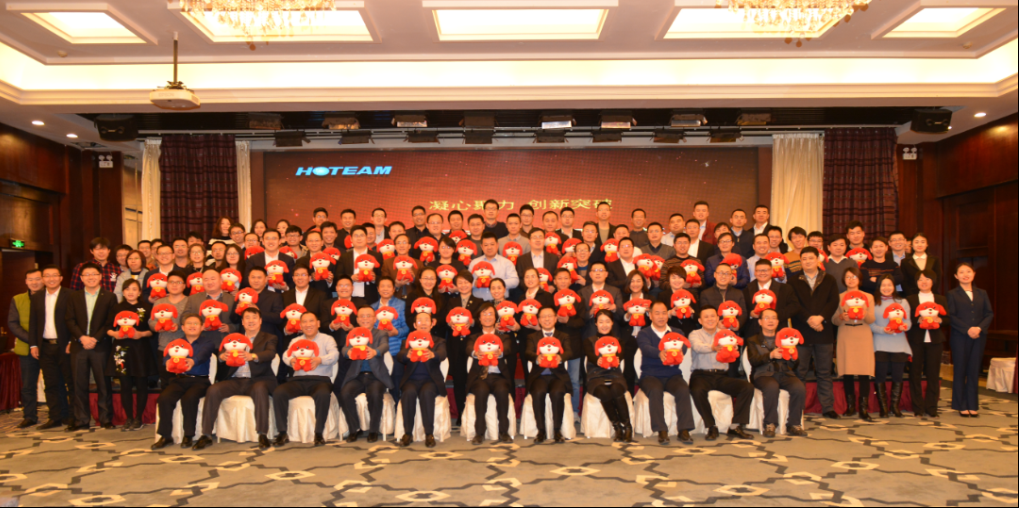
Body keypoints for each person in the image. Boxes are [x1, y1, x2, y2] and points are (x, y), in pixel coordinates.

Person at [193, 307, 279, 451]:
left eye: (254, 318)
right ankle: (206, 434)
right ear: (242, 322)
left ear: (260, 321)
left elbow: (270, 353)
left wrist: (252, 356)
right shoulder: (233, 337)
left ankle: (262, 434)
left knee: (260, 389)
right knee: (213, 389)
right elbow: (221, 353)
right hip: (235, 380)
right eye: (247, 318)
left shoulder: (269, 337)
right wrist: (222, 357)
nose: (251, 321)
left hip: (258, 379)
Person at [151, 313, 218, 449]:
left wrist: (192, 361)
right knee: (164, 398)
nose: (192, 326)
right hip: (179, 380)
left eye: (196, 323)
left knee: (189, 398)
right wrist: (167, 361)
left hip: (200, 381)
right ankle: (166, 436)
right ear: (183, 327)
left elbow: (203, 355)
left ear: (202, 327)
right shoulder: (175, 343)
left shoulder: (208, 343)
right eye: (189, 323)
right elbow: (166, 357)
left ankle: (188, 435)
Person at [687, 306, 754, 441]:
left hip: (721, 375)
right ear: (700, 320)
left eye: (713, 316)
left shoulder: (726, 334)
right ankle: (711, 426)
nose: (710, 319)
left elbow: (734, 350)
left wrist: (734, 348)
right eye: (706, 317)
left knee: (747, 387)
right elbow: (698, 347)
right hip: (701, 375)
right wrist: (714, 347)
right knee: (697, 390)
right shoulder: (695, 334)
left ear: (718, 318)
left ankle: (735, 426)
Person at [273, 312, 340, 447]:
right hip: (298, 380)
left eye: (311, 321)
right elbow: (286, 355)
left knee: (323, 394)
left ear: (318, 323)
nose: (308, 324)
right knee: (278, 392)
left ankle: (318, 433)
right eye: (304, 322)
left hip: (320, 380)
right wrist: (291, 360)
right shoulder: (295, 341)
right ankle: (282, 432)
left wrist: (320, 360)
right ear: (300, 325)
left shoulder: (327, 339)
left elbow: (335, 355)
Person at [789, 247, 841, 420]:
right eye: (804, 258)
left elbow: (833, 301)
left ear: (818, 259)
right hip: (801, 333)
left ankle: (828, 407)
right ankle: (798, 408)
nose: (807, 261)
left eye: (811, 258)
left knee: (824, 372)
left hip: (823, 331)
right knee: (800, 373)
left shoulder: (829, 279)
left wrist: (820, 318)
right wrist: (810, 320)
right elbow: (794, 304)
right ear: (800, 261)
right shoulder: (793, 280)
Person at [66, 263, 117, 431]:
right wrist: (82, 337)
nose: (91, 277)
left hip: (100, 345)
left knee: (103, 384)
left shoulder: (109, 297)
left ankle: (106, 419)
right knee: (78, 384)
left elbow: (110, 322)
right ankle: (81, 420)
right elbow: (69, 320)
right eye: (86, 275)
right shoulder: (74, 296)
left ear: (100, 276)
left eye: (94, 274)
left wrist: (95, 338)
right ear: (81, 278)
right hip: (79, 345)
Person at [636, 301, 696, 445]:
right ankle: (661, 431)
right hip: (650, 375)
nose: (661, 316)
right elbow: (645, 348)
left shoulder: (677, 332)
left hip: (672, 374)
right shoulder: (644, 333)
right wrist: (660, 353)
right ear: (650, 315)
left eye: (664, 313)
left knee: (683, 389)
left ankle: (684, 430)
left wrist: (677, 351)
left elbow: (684, 348)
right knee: (655, 390)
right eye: (657, 313)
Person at [745, 309, 808, 438]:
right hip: (762, 374)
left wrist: (793, 357)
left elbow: (794, 365)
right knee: (771, 386)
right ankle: (770, 424)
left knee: (799, 388)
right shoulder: (753, 340)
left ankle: (794, 424)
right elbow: (754, 361)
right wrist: (770, 355)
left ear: (778, 322)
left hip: (784, 373)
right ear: (760, 322)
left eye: (773, 318)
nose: (770, 321)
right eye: (767, 318)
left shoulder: (786, 337)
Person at [28, 266, 75, 430]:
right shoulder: (37, 297)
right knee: (51, 383)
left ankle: (72, 416)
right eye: (47, 276)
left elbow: (76, 320)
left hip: (65, 346)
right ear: (43, 279)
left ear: (61, 278)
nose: (51, 279)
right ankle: (55, 417)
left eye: (54, 275)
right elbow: (33, 322)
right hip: (45, 347)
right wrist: (33, 344)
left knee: (71, 383)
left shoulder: (71, 295)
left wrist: (72, 341)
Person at [105, 279, 156, 431]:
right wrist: (115, 334)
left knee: (141, 384)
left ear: (139, 292)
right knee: (125, 385)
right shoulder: (117, 307)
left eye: (134, 289)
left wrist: (141, 334)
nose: (131, 292)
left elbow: (152, 331)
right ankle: (128, 418)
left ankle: (139, 418)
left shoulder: (147, 307)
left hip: (140, 349)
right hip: (121, 349)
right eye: (127, 289)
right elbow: (108, 328)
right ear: (123, 292)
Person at [947, 263, 993, 418]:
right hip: (960, 336)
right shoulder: (952, 294)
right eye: (961, 272)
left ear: (974, 274)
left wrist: (979, 328)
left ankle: (972, 404)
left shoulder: (982, 293)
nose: (965, 274)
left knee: (974, 370)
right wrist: (967, 329)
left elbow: (989, 314)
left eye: (968, 271)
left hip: (979, 336)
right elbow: (951, 316)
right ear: (956, 276)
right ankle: (960, 404)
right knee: (960, 370)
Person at [396, 312, 448, 448]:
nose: (423, 323)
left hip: (430, 380)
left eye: (426, 320)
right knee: (408, 393)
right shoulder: (408, 341)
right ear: (414, 325)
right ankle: (408, 433)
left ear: (432, 324)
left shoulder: (439, 341)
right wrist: (407, 355)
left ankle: (429, 434)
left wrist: (433, 354)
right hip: (411, 380)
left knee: (426, 393)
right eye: (419, 321)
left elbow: (442, 354)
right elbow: (400, 356)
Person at [338, 319, 394, 445]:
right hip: (357, 376)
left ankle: (373, 430)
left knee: (374, 394)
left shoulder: (380, 333)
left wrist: (375, 352)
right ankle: (354, 429)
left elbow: (385, 346)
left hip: (376, 376)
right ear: (357, 319)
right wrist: (348, 352)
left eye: (368, 316)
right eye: (362, 316)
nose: (365, 319)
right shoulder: (353, 333)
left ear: (374, 319)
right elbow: (344, 348)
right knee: (345, 394)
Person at [465, 304, 515, 445]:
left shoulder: (503, 336)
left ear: (496, 318)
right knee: (481, 391)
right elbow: (468, 348)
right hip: (480, 376)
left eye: (491, 314)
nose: (487, 317)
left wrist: (501, 352)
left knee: (502, 390)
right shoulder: (474, 337)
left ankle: (504, 431)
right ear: (479, 318)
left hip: (499, 376)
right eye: (484, 314)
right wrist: (475, 353)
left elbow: (508, 349)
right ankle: (479, 432)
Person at [584, 310, 635, 443]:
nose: (604, 325)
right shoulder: (589, 341)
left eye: (607, 321)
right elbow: (591, 356)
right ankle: (617, 427)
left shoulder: (619, 341)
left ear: (612, 323)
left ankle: (627, 427)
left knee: (616, 389)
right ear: (596, 323)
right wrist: (598, 361)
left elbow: (620, 356)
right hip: (595, 375)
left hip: (614, 374)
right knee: (604, 392)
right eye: (601, 322)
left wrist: (616, 359)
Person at [832, 267, 876, 421]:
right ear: (844, 280)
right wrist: (841, 317)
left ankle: (863, 409)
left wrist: (865, 314)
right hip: (846, 333)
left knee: (864, 371)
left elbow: (872, 319)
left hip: (863, 333)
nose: (851, 280)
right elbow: (834, 320)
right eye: (848, 277)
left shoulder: (868, 296)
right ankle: (850, 407)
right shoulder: (839, 297)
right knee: (847, 370)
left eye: (854, 277)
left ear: (859, 279)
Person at [525, 307, 573, 445]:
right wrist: (536, 357)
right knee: (538, 392)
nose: (547, 319)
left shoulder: (563, 336)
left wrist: (561, 357)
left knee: (557, 393)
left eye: (550, 316)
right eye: (543, 316)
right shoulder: (532, 337)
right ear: (539, 320)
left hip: (557, 375)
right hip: (539, 375)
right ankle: (541, 431)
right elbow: (528, 352)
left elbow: (569, 352)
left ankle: (557, 430)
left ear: (556, 318)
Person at [906, 270, 949, 419]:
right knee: (915, 374)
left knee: (933, 374)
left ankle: (931, 407)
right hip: (916, 340)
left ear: (933, 281)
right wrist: (916, 320)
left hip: (935, 341)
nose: (923, 282)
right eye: (920, 280)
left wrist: (940, 320)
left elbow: (948, 318)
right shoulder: (910, 299)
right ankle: (918, 407)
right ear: (916, 282)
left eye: (927, 279)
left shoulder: (941, 299)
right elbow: (905, 318)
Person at [871, 275, 912, 419]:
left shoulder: (903, 302)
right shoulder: (873, 302)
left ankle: (895, 407)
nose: (886, 288)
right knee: (880, 376)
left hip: (899, 344)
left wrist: (904, 326)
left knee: (898, 377)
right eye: (883, 285)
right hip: (880, 344)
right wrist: (883, 330)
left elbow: (908, 322)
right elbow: (870, 324)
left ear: (894, 287)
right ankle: (883, 408)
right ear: (879, 287)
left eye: (889, 285)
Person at [447, 270, 484, 423]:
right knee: (458, 380)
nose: (463, 285)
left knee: (474, 379)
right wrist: (449, 323)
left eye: (466, 282)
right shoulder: (451, 302)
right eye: (460, 283)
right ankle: (461, 414)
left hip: (472, 345)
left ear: (472, 284)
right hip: (455, 346)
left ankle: (474, 413)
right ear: (456, 285)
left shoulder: (479, 301)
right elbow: (443, 320)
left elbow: (482, 320)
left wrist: (472, 322)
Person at [9, 269, 43, 429]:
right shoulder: (18, 299)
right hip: (27, 348)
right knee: (28, 385)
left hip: (50, 346)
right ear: (26, 281)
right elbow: (13, 323)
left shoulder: (51, 297)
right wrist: (33, 341)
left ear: (43, 280)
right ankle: (29, 416)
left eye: (37, 279)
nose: (34, 282)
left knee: (54, 383)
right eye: (30, 279)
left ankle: (59, 415)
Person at [552, 269, 587, 418]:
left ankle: (574, 411)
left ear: (571, 280)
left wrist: (568, 321)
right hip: (553, 344)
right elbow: (545, 320)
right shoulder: (549, 299)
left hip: (574, 343)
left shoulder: (578, 299)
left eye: (566, 278)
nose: (563, 281)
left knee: (574, 379)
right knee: (555, 379)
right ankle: (556, 411)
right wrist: (556, 320)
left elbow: (582, 321)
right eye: (559, 278)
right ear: (554, 281)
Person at [513, 268, 556, 379]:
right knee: (527, 372)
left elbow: (552, 318)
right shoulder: (521, 297)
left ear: (538, 278)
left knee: (542, 372)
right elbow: (518, 318)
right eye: (527, 277)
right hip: (525, 339)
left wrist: (539, 327)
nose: (530, 279)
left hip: (542, 338)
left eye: (533, 276)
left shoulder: (546, 296)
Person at [149, 271, 190, 389]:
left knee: (184, 384)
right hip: (164, 348)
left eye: (178, 282)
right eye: (171, 282)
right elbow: (151, 322)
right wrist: (159, 327)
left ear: (184, 286)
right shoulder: (159, 302)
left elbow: (194, 322)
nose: (174, 285)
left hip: (185, 349)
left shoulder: (190, 301)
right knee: (166, 383)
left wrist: (180, 326)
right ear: (167, 285)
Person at [743, 260, 799, 340]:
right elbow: (742, 309)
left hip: (779, 331)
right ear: (755, 272)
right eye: (759, 270)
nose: (762, 273)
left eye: (766, 270)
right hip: (753, 333)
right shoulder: (747, 290)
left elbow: (794, 306)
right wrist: (750, 314)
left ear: (772, 271)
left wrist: (775, 316)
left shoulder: (785, 288)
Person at [372, 278, 410, 398]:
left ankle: (397, 406)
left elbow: (407, 327)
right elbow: (370, 330)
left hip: (396, 350)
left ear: (394, 289)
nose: (385, 289)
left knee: (396, 384)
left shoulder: (402, 305)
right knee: (378, 384)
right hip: (378, 351)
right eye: (382, 286)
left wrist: (396, 332)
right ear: (378, 289)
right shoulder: (372, 307)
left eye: (389, 286)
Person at [338, 226, 383, 305]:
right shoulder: (344, 256)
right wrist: (351, 278)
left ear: (366, 238)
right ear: (351, 239)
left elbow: (382, 277)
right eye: (356, 236)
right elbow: (338, 275)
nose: (359, 238)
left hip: (370, 297)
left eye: (362, 235)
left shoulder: (376, 256)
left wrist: (374, 278)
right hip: (349, 297)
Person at [469, 233, 520, 301]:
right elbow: (467, 282)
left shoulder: (506, 262)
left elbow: (515, 281)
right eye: (486, 245)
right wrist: (476, 283)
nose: (489, 247)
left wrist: (496, 283)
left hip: (500, 302)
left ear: (497, 245)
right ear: (481, 247)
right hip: (478, 302)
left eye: (492, 244)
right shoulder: (474, 263)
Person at [381, 234, 418, 299]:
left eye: (404, 242)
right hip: (394, 299)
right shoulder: (387, 263)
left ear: (409, 246)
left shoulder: (418, 263)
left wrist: (414, 278)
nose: (401, 245)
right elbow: (384, 283)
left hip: (414, 299)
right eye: (399, 243)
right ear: (395, 246)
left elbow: (422, 284)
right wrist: (396, 285)